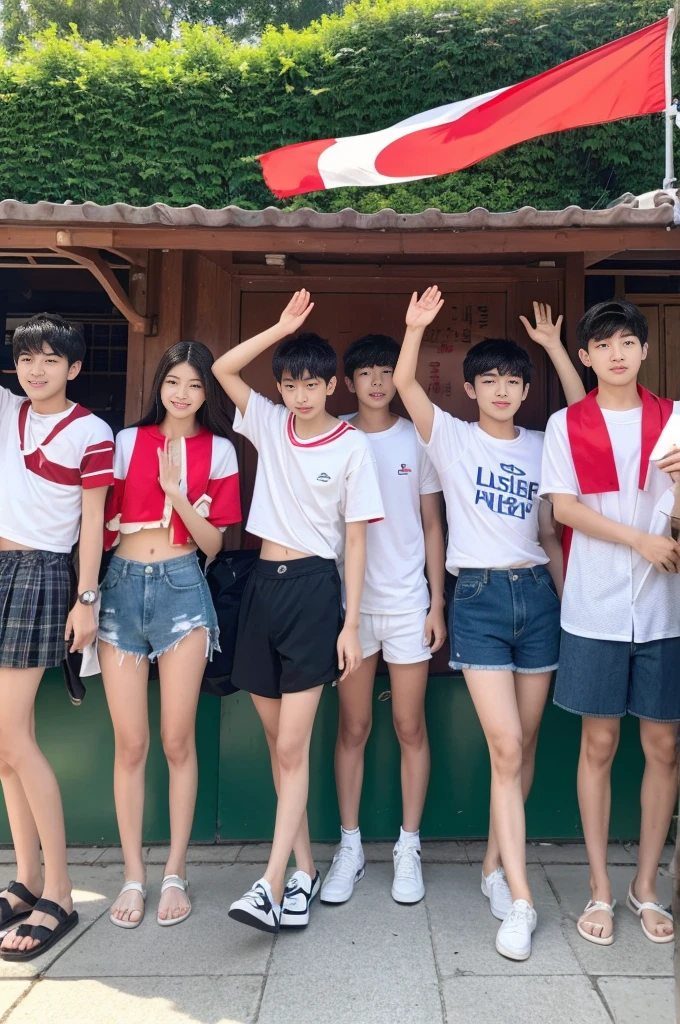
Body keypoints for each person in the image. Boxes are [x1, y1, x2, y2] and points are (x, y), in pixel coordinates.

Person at [393, 289, 586, 961]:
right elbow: (404, 385)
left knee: (524, 744)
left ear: (524, 388)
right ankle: (522, 898)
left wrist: (558, 349)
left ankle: (490, 866)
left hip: (537, 597)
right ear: (471, 388)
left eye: (512, 380)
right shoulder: (450, 436)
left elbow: (581, 413)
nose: (502, 389)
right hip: (475, 596)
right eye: (490, 380)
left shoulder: (544, 443)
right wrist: (415, 329)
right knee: (505, 746)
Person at [212, 290, 383, 934]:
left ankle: (270, 880)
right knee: (278, 747)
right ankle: (305, 873)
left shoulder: (349, 446)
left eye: (312, 383)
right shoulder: (265, 421)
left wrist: (351, 622)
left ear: (332, 385)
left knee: (292, 742)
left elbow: (359, 539)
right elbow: (224, 370)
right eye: (290, 384)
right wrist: (280, 328)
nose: (301, 394)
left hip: (315, 588)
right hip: (261, 582)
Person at [540, 299, 680, 947]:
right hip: (594, 606)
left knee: (663, 746)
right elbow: (564, 511)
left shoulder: (674, 421)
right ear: (586, 356)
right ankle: (599, 885)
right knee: (598, 745)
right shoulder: (567, 425)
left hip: (662, 610)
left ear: (645, 352)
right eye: (604, 343)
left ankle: (645, 887)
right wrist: (639, 541)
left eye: (629, 341)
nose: (618, 352)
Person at [100, 341, 241, 929]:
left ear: (208, 393)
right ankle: (134, 874)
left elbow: (215, 545)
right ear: (159, 384)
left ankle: (175, 871)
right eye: (173, 381)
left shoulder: (222, 450)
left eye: (195, 385)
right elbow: (97, 524)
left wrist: (176, 489)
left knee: (176, 740)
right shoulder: (126, 442)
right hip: (121, 589)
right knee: (130, 744)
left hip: (185, 587)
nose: (182, 394)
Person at [0, 314, 114, 961]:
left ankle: (61, 892)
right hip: (1, 568)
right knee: (1, 743)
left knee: (13, 734)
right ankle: (25, 878)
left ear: (74, 368)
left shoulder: (90, 431)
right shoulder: (7, 409)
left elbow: (93, 522)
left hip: (42, 569)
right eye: (26, 359)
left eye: (50, 359)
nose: (36, 369)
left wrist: (87, 597)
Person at [320, 334, 446, 907]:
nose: (376, 381)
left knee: (409, 727)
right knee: (353, 728)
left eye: (385, 371)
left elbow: (433, 525)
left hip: (406, 604)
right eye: (365, 371)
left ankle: (408, 845)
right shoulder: (334, 434)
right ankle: (350, 847)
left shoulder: (416, 439)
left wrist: (436, 601)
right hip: (349, 610)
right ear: (347, 382)